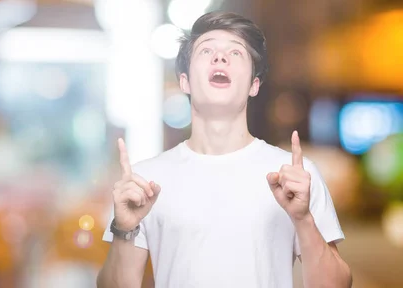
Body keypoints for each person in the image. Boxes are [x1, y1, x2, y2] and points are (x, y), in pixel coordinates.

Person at [96, 11, 352, 288]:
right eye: (206, 50)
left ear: (254, 85)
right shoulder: (145, 181)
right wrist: (123, 230)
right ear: (185, 81)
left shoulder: (294, 176)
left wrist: (303, 219)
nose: (220, 57)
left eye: (236, 53)